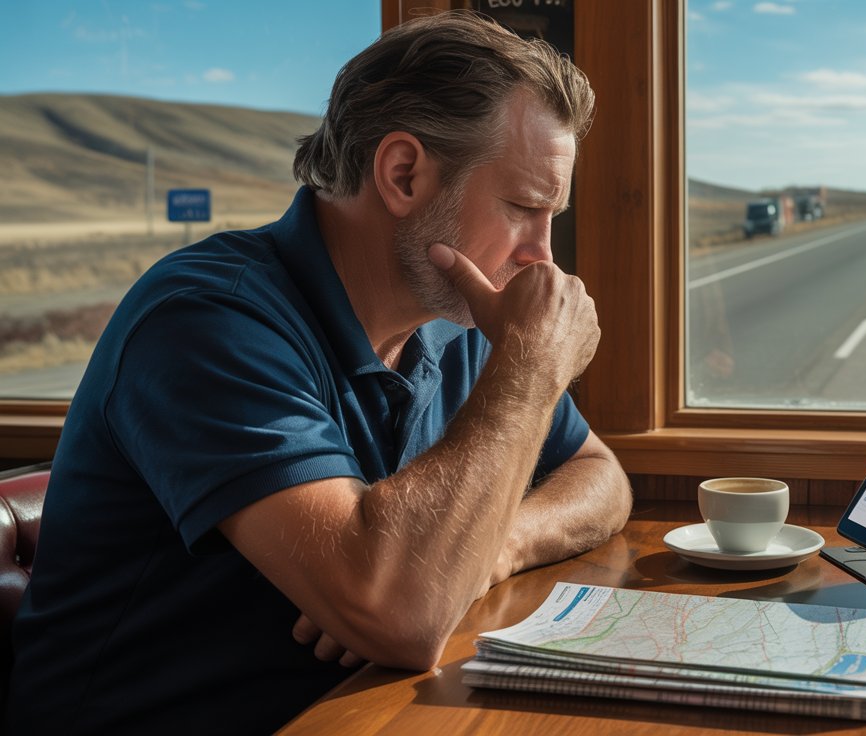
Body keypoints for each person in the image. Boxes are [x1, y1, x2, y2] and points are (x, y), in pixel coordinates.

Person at [6, 11, 631, 734]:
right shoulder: (205, 322)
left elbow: (601, 476)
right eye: (525, 207)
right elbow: (400, 614)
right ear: (403, 174)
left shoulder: (458, 322)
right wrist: (530, 368)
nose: (542, 257)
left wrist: (494, 546)